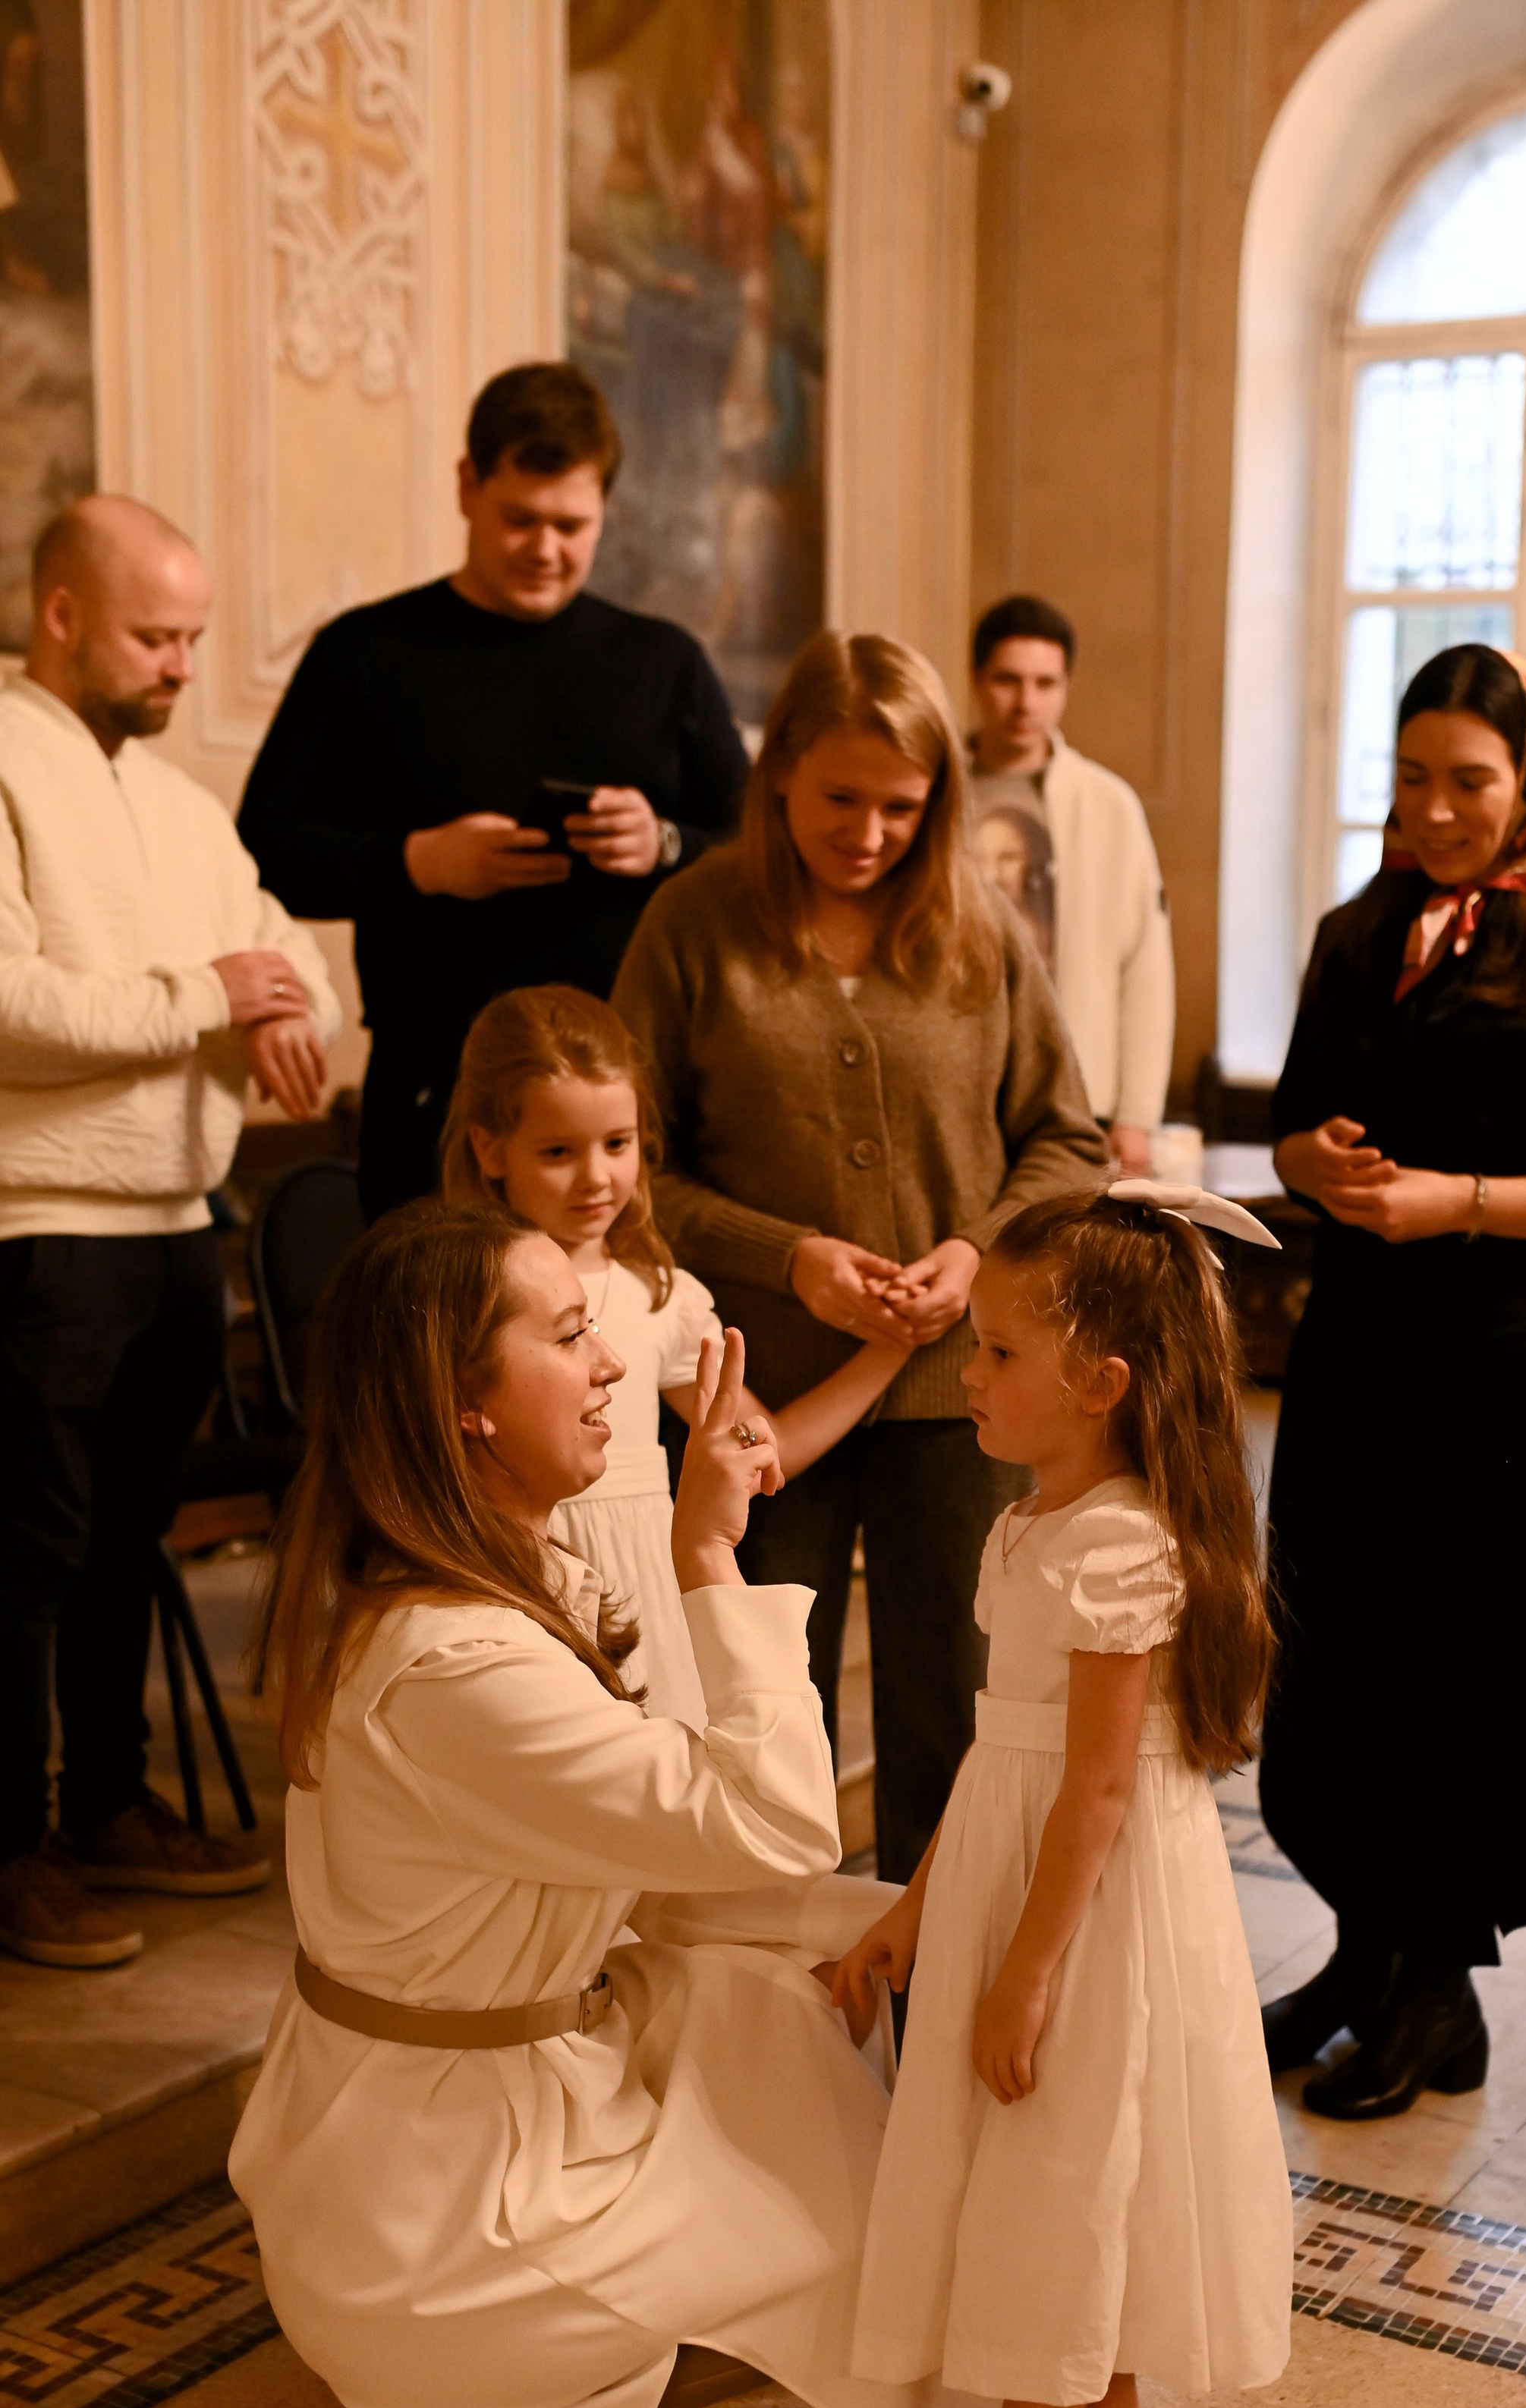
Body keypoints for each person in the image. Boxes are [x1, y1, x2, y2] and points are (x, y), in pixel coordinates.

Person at [230, 1198, 998, 2408]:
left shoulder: (455, 1569)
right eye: (566, 1331)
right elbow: (767, 1814)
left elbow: (688, 1841)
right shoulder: (453, 1660)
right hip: (442, 2198)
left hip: (435, 2102)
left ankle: (627, 2405)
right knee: (815, 2160)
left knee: (793, 1991)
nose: (607, 1363)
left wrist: (858, 1928)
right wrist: (711, 1546)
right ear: (462, 1402)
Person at [819, 1181, 1295, 2408]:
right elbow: (999, 1746)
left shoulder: (1117, 1547)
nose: (967, 1372)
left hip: (1084, 1905)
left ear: (1102, 1386)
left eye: (997, 1350)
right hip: (1028, 1870)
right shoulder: (1033, 1522)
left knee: (1054, 2174)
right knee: (1102, 2139)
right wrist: (916, 1906)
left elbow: (1092, 1791)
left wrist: (1024, 1971)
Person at [1257, 645, 1526, 2119]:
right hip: (1360, 1351)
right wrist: (1312, 1161)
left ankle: (1435, 1994)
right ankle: (1357, 1956)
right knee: (1336, 1654)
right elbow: (1295, 1130)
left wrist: (1456, 1201)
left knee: (1458, 1670)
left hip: (1502, 1371)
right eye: (1410, 778)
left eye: (1468, 782)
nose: (1435, 810)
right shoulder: (1355, 930)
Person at [612, 630, 1107, 1880]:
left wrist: (971, 1249)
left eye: (905, 803)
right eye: (842, 797)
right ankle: (779, 2005)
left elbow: (1068, 1140)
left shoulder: (978, 927)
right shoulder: (692, 923)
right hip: (753, 1392)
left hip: (964, 1391)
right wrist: (791, 1260)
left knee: (963, 1699)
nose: (872, 832)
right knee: (764, 1695)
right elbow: (624, 1169)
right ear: (778, 771)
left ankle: (932, 1991)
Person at [0, 494, 339, 1971]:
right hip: (38, 1227)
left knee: (127, 1544)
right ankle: (9, 1849)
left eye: (196, 637)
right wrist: (212, 999)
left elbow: (299, 964)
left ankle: (110, 1804)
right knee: (24, 1561)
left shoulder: (184, 805)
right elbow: (14, 1009)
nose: (183, 666)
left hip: (175, 1220)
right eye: (157, 635)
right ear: (61, 614)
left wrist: (283, 1008)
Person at [237, 361, 750, 1220]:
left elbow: (755, 848)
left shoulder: (664, 663)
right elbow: (264, 847)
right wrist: (419, 862)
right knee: (434, 1347)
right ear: (468, 486)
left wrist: (663, 844)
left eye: (571, 525)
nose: (544, 550)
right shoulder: (366, 653)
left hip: (624, 1098)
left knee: (624, 1344)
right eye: (519, 518)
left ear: (605, 513)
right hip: (433, 1088)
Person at [443, 982, 913, 1726]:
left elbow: (766, 1449)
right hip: (509, 1577)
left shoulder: (662, 1296)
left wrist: (890, 1351)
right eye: (559, 1152)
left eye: (617, 1145)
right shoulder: (458, 1292)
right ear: (489, 1147)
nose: (597, 1178)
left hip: (644, 1588)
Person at [967, 594, 1175, 1174]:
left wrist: (1137, 1114)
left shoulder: (1108, 804)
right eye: (1008, 680)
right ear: (977, 678)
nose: (1025, 702)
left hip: (1077, 1087)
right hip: (958, 1081)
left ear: (1066, 686)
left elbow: (1145, 962)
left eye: (1045, 682)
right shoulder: (934, 792)